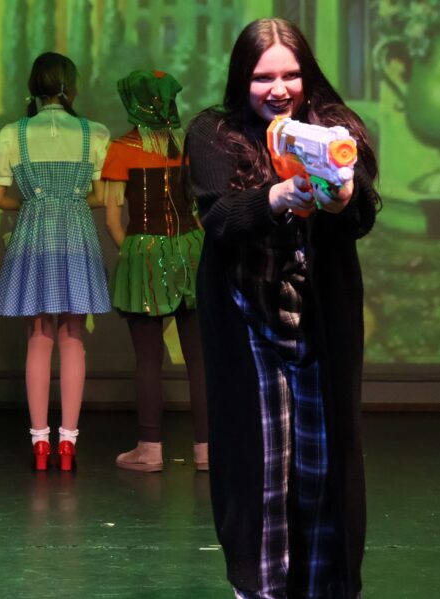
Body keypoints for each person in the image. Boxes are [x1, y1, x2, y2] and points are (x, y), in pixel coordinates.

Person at [184, 18, 379, 599]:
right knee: (260, 473)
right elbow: (218, 218)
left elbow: (364, 211)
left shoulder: (336, 127)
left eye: (290, 74)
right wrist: (276, 197)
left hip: (319, 325)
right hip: (248, 324)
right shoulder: (213, 133)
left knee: (323, 471)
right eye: (264, 76)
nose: (278, 88)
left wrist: (341, 195)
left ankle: (323, 586)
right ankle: (259, 589)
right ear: (242, 78)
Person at [0, 52, 111, 471]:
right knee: (73, 334)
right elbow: (101, 195)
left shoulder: (12, 133)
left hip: (34, 234)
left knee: (37, 335)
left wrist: (36, 199)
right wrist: (70, 199)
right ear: (71, 87)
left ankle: (40, 443)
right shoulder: (93, 133)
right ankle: (68, 443)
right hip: (76, 233)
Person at [100, 70, 208, 473]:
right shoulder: (187, 146)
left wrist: (135, 252)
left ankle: (150, 449)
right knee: (199, 359)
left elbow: (113, 219)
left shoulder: (120, 148)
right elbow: (198, 213)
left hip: (144, 251)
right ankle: (206, 450)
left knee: (148, 360)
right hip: (192, 252)